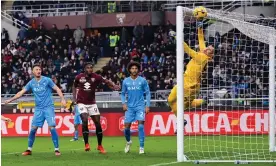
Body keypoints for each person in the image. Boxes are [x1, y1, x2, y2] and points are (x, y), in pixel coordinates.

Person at [4, 64, 66, 156]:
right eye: (36, 69)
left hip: (48, 107)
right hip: (38, 109)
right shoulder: (31, 83)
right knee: (33, 128)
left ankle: (57, 149)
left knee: (52, 127)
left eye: (39, 69)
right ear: (33, 72)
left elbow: (57, 88)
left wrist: (62, 99)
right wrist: (10, 100)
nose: (38, 71)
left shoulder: (47, 80)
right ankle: (29, 149)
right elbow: (20, 93)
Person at [167, 22, 214, 131]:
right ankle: (202, 102)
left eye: (210, 49)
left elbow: (187, 49)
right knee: (170, 100)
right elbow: (201, 40)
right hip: (184, 83)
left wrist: (176, 36)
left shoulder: (202, 58)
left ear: (210, 54)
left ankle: (182, 120)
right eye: (208, 47)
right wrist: (200, 27)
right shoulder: (203, 53)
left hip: (190, 87)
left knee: (183, 106)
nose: (207, 48)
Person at [72, 62, 120, 153]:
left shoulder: (96, 77)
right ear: (85, 69)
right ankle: (86, 144)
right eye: (88, 68)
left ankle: (100, 145)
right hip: (81, 102)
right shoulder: (79, 77)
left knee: (98, 123)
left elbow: (106, 81)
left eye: (91, 67)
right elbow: (74, 86)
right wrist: (74, 98)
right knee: (84, 120)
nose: (90, 69)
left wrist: (113, 86)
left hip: (92, 103)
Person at [121, 61, 151, 154]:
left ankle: (141, 147)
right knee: (126, 128)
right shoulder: (125, 81)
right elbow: (122, 93)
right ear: (129, 70)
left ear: (138, 70)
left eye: (136, 68)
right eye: (132, 68)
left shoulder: (142, 80)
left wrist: (147, 106)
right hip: (129, 107)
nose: (134, 70)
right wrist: (123, 103)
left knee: (141, 126)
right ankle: (128, 142)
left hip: (140, 106)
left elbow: (148, 93)